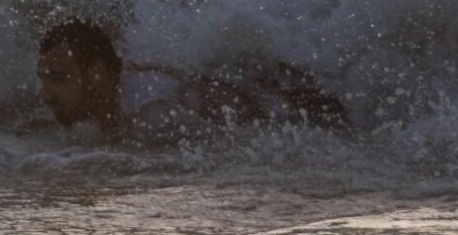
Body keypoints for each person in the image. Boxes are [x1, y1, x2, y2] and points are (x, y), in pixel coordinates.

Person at [36, 19, 347, 145]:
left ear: (97, 74)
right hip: (251, 89)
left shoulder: (151, 112)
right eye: (43, 77)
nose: (47, 92)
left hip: (298, 112)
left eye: (59, 78)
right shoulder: (114, 88)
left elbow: (229, 150)